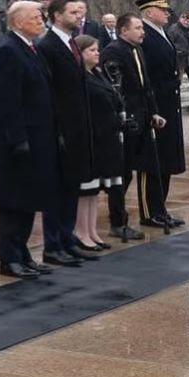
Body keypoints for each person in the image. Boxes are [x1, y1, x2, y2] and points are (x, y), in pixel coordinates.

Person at [0, 1, 58, 279]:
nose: (41, 21)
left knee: (29, 199)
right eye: (36, 17)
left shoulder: (30, 47)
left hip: (37, 136)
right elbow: (8, 101)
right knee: (14, 201)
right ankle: (9, 258)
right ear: (18, 22)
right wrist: (18, 139)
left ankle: (23, 253)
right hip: (17, 141)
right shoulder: (8, 51)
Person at [37, 0, 96, 266]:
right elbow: (49, 90)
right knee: (56, 188)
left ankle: (67, 237)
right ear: (57, 16)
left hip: (77, 124)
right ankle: (53, 244)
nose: (78, 16)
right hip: (59, 127)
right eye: (72, 12)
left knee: (72, 184)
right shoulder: (48, 45)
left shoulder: (71, 42)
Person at [99, 13, 163, 240]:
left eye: (141, 28)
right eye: (137, 28)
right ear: (123, 30)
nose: (142, 31)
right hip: (126, 121)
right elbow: (115, 89)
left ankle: (140, 212)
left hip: (143, 118)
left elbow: (146, 85)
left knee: (139, 168)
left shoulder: (138, 50)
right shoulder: (112, 52)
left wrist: (153, 111)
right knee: (122, 173)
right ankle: (117, 220)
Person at [136, 0, 185, 228]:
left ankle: (160, 208)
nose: (167, 13)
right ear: (149, 12)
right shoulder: (144, 35)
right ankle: (149, 211)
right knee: (151, 161)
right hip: (154, 105)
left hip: (167, 104)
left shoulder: (161, 33)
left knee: (164, 159)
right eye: (162, 9)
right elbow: (144, 75)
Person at [73, 34, 123, 251]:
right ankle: (81, 232)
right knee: (86, 190)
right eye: (91, 50)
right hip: (92, 136)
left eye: (97, 50)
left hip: (106, 136)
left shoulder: (98, 73)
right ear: (80, 53)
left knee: (95, 190)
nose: (97, 53)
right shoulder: (79, 77)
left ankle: (91, 231)